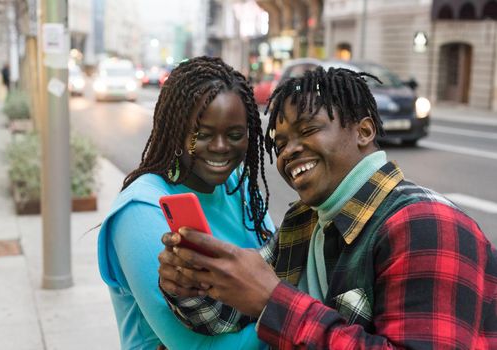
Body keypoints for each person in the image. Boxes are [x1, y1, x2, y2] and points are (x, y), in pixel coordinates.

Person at [158, 66, 497, 349]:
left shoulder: (425, 224)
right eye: (280, 143)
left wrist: (273, 300)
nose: (289, 151)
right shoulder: (305, 221)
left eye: (308, 130)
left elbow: (266, 300)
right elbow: (225, 315)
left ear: (364, 131)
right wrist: (190, 288)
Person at [97, 56, 276, 349]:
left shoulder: (238, 182)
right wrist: (294, 320)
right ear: (176, 130)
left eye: (234, 135)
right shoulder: (140, 211)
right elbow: (197, 346)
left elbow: (279, 270)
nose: (220, 148)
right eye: (202, 135)